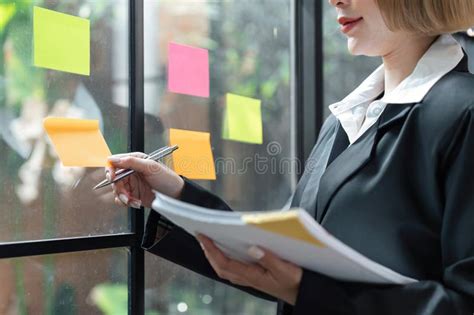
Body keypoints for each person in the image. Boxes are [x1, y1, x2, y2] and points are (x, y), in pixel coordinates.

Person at [106, 0, 474, 313]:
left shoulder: (464, 113)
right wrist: (173, 194)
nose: (335, 0)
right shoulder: (345, 120)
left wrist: (305, 289)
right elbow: (277, 259)